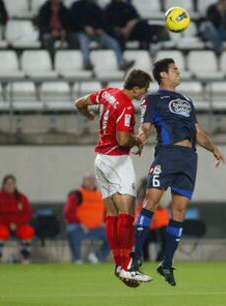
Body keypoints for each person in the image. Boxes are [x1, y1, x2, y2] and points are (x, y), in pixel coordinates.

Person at [126, 58, 225, 286]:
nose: (178, 72)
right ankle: (137, 256)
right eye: (174, 69)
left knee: (179, 210)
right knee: (151, 202)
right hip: (167, 156)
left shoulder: (187, 100)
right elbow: (146, 126)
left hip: (189, 159)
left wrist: (213, 148)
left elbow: (197, 132)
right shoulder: (151, 99)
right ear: (163, 74)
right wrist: (139, 141)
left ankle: (167, 263)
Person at [74, 68, 152, 287]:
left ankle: (120, 266)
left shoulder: (107, 93)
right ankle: (126, 267)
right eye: (142, 91)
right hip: (117, 160)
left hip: (101, 159)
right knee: (127, 213)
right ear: (135, 88)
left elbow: (79, 103)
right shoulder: (126, 106)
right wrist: (138, 141)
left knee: (112, 214)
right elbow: (122, 138)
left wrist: (88, 115)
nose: (143, 95)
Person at [70, 0, 134, 70]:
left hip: (96, 33)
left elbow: (103, 22)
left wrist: (99, 29)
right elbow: (73, 22)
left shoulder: (96, 7)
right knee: (84, 41)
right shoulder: (76, 6)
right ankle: (86, 62)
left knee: (112, 42)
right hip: (80, 32)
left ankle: (121, 62)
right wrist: (84, 28)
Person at [63, 173, 110, 264]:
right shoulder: (77, 195)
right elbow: (68, 213)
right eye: (89, 179)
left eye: (93, 179)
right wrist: (80, 223)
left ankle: (97, 256)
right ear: (84, 181)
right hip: (80, 227)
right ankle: (77, 259)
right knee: (72, 230)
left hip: (97, 227)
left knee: (113, 235)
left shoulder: (101, 195)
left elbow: (106, 212)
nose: (91, 182)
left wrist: (104, 221)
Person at [0, 175, 35, 264]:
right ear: (3, 185)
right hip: (2, 224)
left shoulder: (22, 197)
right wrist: (8, 223)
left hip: (19, 225)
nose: (9, 186)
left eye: (12, 183)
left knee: (28, 231)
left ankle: (24, 257)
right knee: (1, 233)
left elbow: (28, 213)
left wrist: (17, 223)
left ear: (15, 185)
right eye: (7, 183)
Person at [134, 177, 169, 262]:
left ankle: (160, 258)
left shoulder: (161, 191)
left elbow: (163, 204)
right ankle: (146, 258)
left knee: (167, 238)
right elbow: (138, 204)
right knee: (142, 236)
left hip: (161, 225)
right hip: (146, 225)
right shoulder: (140, 194)